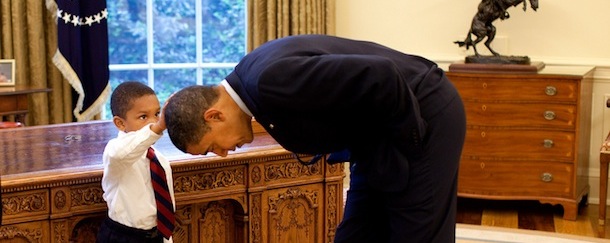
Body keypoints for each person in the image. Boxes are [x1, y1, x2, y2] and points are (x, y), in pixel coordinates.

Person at [164, 34, 466, 243]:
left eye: (211, 147)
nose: (222, 154)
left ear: (214, 116)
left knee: (417, 232)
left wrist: (413, 148)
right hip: (378, 135)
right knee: (355, 234)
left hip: (424, 113)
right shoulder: (251, 79)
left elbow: (382, 75)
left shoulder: (268, 81)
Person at [97, 81, 176, 243]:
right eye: (143, 117)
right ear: (120, 123)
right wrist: (159, 126)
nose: (152, 122)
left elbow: (165, 209)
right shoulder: (115, 151)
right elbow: (123, 153)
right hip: (123, 237)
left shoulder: (159, 159)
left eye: (157, 114)